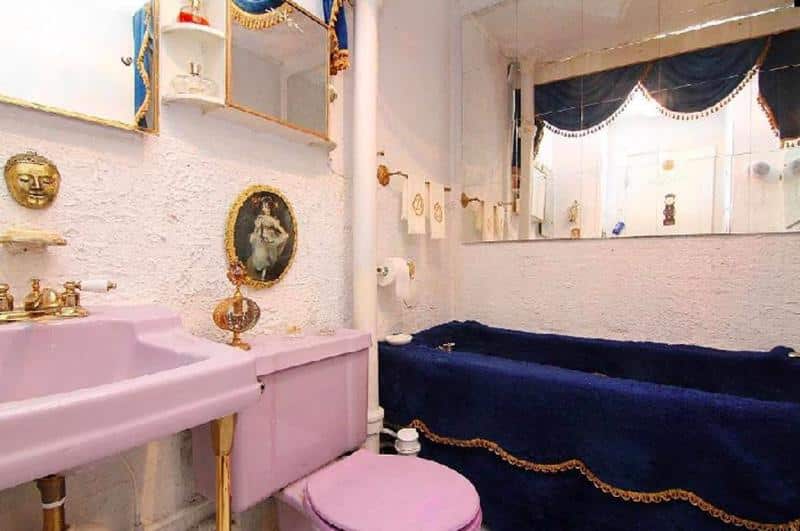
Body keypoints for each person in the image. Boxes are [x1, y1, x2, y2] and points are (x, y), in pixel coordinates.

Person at [248, 198, 289, 280]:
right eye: (265, 207)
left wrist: (284, 234)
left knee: (269, 256)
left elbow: (280, 229)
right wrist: (258, 233)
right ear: (262, 208)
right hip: (261, 238)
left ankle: (264, 273)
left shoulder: (273, 220)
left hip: (271, 238)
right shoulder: (260, 218)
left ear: (271, 208)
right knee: (261, 255)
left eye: (268, 207)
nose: (267, 209)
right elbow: (257, 229)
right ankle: (262, 273)